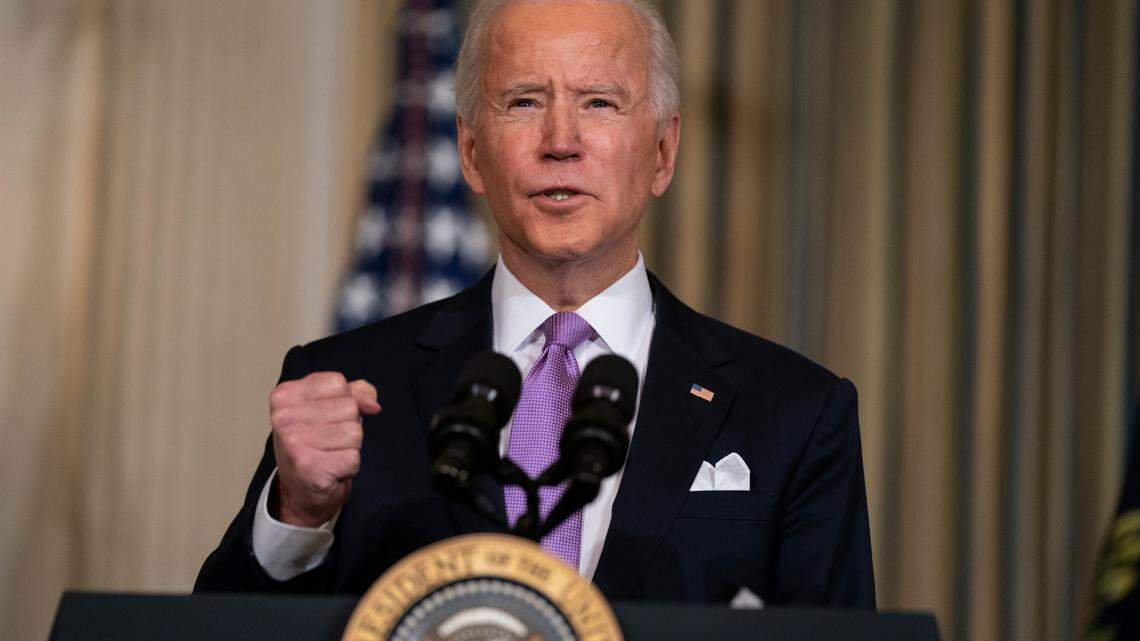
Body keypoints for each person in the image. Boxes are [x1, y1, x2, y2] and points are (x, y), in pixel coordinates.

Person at [196, 0, 875, 607]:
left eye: (599, 103)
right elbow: (216, 629)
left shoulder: (795, 413)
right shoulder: (349, 387)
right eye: (523, 101)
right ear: (470, 152)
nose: (560, 142)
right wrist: (298, 515)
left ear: (663, 152)